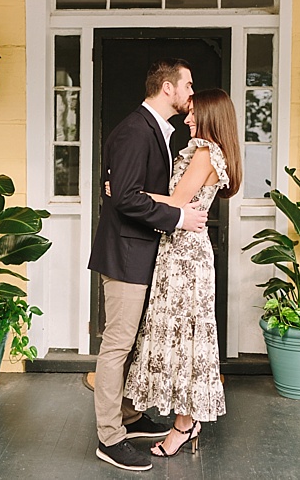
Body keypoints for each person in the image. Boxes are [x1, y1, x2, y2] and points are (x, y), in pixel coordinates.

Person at [88, 58, 208, 472]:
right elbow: (123, 197)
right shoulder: (136, 131)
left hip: (142, 253)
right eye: (188, 85)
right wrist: (178, 217)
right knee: (117, 345)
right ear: (167, 87)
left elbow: (126, 190)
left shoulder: (157, 131)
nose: (192, 92)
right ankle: (109, 437)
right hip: (125, 254)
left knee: (132, 343)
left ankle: (128, 416)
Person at [123, 88, 242, 458]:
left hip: (185, 258)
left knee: (187, 342)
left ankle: (185, 425)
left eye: (194, 114)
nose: (187, 119)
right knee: (178, 337)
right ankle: (182, 420)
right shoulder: (202, 151)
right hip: (177, 251)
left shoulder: (207, 153)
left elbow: (176, 202)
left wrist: (128, 192)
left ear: (210, 117)